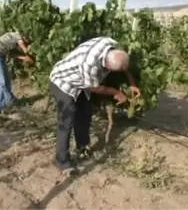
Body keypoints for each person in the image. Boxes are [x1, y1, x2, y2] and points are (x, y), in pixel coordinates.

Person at [49, 37, 141, 175]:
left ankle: (82, 147)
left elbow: (123, 64)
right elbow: (93, 88)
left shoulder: (112, 45)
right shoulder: (90, 65)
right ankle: (62, 161)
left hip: (81, 80)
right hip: (63, 81)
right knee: (67, 120)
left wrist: (132, 83)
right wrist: (116, 92)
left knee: (85, 112)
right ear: (108, 67)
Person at [0, 32, 33, 113]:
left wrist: (24, 58)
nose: (26, 43)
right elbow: (22, 45)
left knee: (6, 80)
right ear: (24, 37)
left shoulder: (13, 43)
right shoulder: (17, 35)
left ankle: (10, 101)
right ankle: (0, 106)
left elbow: (12, 55)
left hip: (0, 57)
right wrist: (28, 54)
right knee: (0, 81)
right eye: (26, 41)